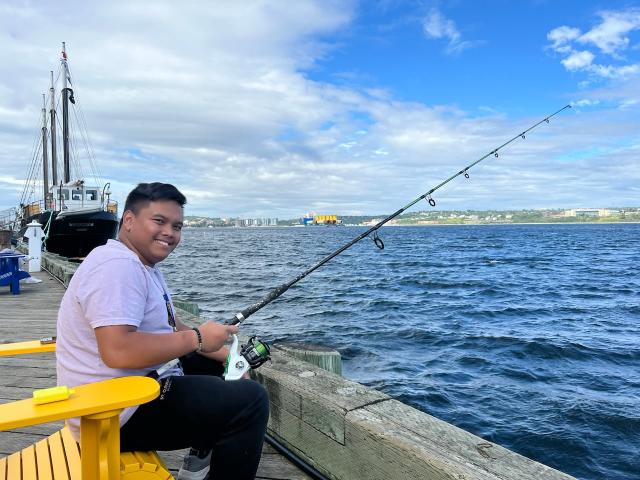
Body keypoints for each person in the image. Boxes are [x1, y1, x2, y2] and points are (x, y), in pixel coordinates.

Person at [56, 182, 269, 480]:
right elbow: (117, 350)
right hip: (110, 417)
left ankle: (197, 465)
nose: (170, 232)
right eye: (159, 221)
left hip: (119, 395)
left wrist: (221, 354)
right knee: (250, 401)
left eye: (177, 225)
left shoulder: (141, 265)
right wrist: (197, 337)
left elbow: (171, 328)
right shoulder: (118, 268)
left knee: (212, 366)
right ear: (129, 220)